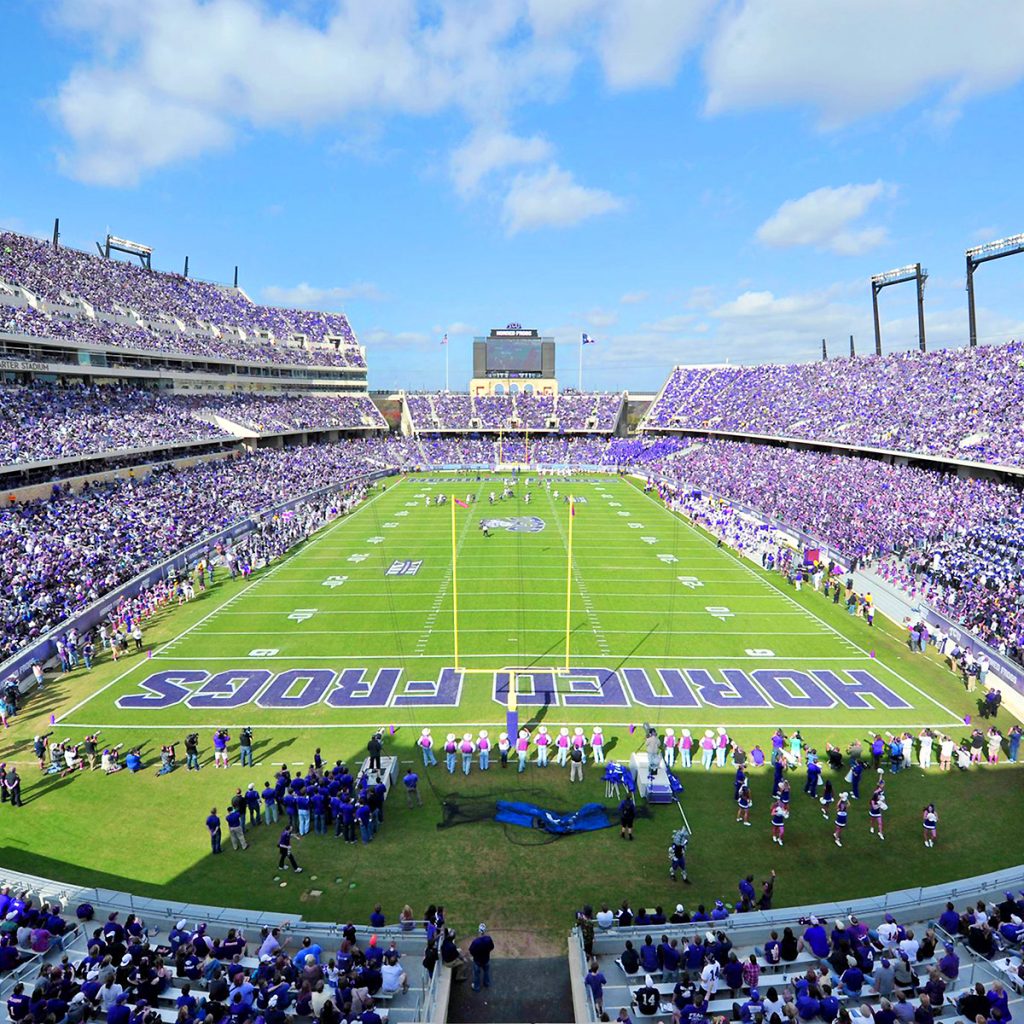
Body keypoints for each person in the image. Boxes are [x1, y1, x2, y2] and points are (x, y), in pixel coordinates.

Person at [469, 924, 494, 992]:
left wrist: (475, 955)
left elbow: (471, 950)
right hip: (486, 959)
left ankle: (476, 987)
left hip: (477, 961)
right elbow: (492, 947)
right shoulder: (488, 939)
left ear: (479, 931)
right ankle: (486, 983)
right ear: (485, 931)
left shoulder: (476, 942)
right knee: (486, 972)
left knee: (476, 974)